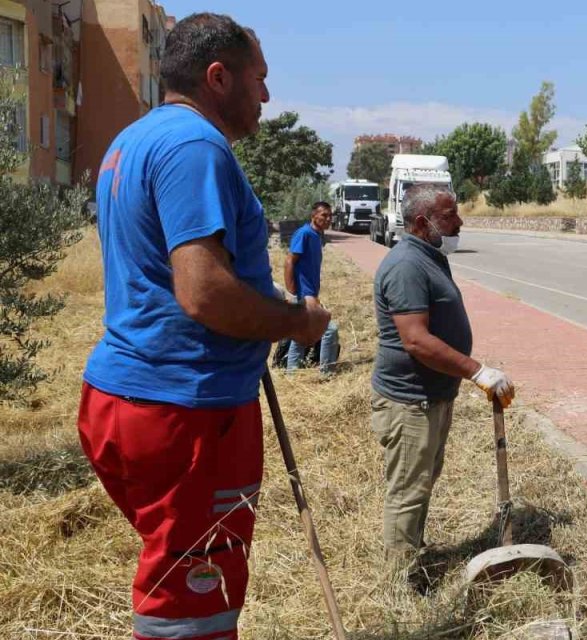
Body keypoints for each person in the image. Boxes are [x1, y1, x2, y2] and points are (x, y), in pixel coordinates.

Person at [77, 14, 330, 640]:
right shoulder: (196, 146)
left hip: (126, 395)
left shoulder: (131, 141)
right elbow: (204, 292)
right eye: (259, 79)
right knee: (193, 600)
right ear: (218, 77)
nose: (266, 96)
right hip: (187, 410)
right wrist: (298, 321)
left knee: (177, 573)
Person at [371, 183, 515, 582]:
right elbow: (416, 339)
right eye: (450, 215)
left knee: (421, 483)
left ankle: (411, 554)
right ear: (422, 221)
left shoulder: (428, 257)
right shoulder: (406, 266)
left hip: (430, 398)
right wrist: (476, 370)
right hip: (409, 402)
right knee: (408, 492)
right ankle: (399, 582)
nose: (459, 221)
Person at [284, 201, 341, 374]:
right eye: (324, 215)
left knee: (302, 331)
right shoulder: (305, 234)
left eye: (330, 215)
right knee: (329, 329)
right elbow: (289, 262)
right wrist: (292, 291)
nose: (328, 218)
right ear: (313, 215)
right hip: (304, 294)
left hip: (310, 293)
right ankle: (326, 372)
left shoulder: (317, 236)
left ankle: (292, 373)